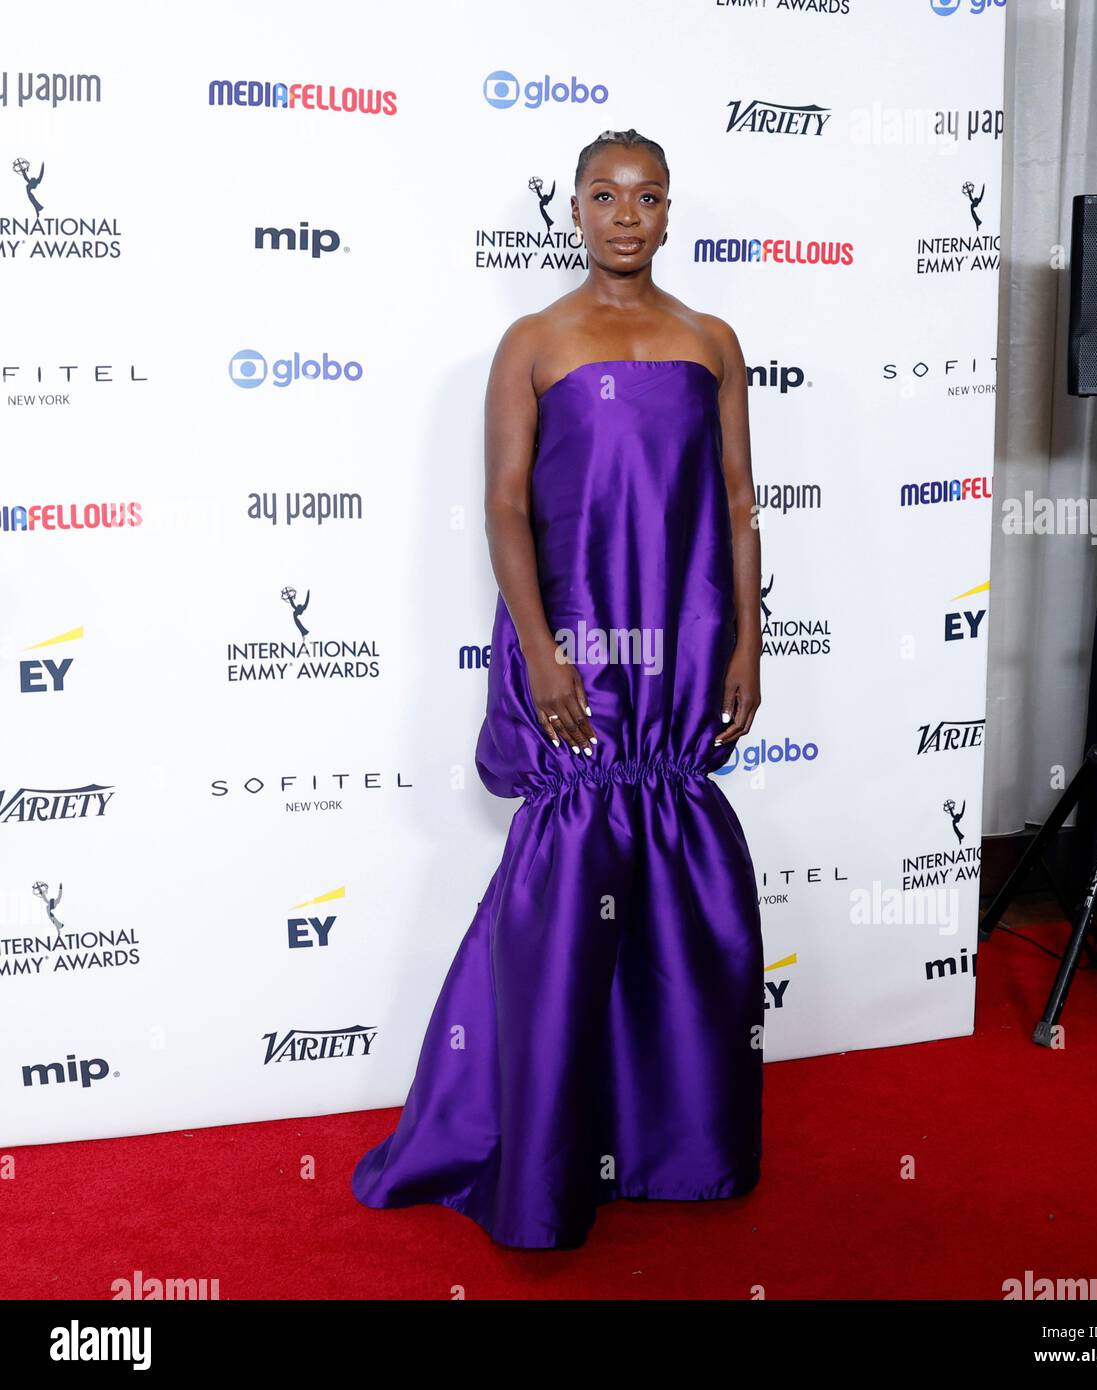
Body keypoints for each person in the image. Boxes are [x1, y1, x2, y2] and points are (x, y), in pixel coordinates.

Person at [352, 128, 765, 1249]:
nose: (625, 214)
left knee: (682, 914)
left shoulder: (711, 340)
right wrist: (540, 653)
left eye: (646, 196)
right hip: (580, 648)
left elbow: (735, 503)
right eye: (603, 195)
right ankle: (538, 1156)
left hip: (681, 650)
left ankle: (677, 1144)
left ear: (671, 211)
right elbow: (501, 506)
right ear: (573, 210)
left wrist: (748, 644)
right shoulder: (532, 341)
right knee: (565, 919)